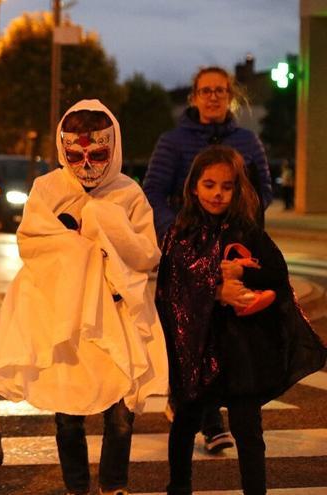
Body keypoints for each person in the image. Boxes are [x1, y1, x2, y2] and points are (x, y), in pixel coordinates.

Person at [0, 100, 168, 495]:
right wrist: (76, 248)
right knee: (68, 409)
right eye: (76, 155)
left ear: (113, 147)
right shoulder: (48, 189)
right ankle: (76, 487)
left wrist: (107, 225)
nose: (87, 164)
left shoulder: (128, 193)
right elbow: (32, 242)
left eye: (98, 154)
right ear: (63, 150)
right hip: (64, 314)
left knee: (121, 409)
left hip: (116, 313)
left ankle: (114, 485)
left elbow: (147, 253)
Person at [156, 145, 326, 495]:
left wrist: (244, 275)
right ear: (193, 187)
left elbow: (277, 275)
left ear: (238, 189)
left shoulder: (248, 231)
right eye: (209, 185)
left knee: (248, 429)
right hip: (198, 348)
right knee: (185, 422)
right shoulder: (181, 233)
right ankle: (179, 488)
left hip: (241, 350)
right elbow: (170, 289)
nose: (217, 193)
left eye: (227, 186)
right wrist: (216, 289)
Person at [143, 65, 273, 453]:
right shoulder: (173, 142)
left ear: (230, 96)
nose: (213, 97)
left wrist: (242, 227)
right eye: (206, 90)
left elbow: (263, 191)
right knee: (191, 326)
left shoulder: (247, 141)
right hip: (187, 246)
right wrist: (176, 233)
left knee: (223, 328)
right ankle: (204, 415)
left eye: (220, 91)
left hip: (231, 243)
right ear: (195, 96)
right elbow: (153, 192)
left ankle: (211, 414)